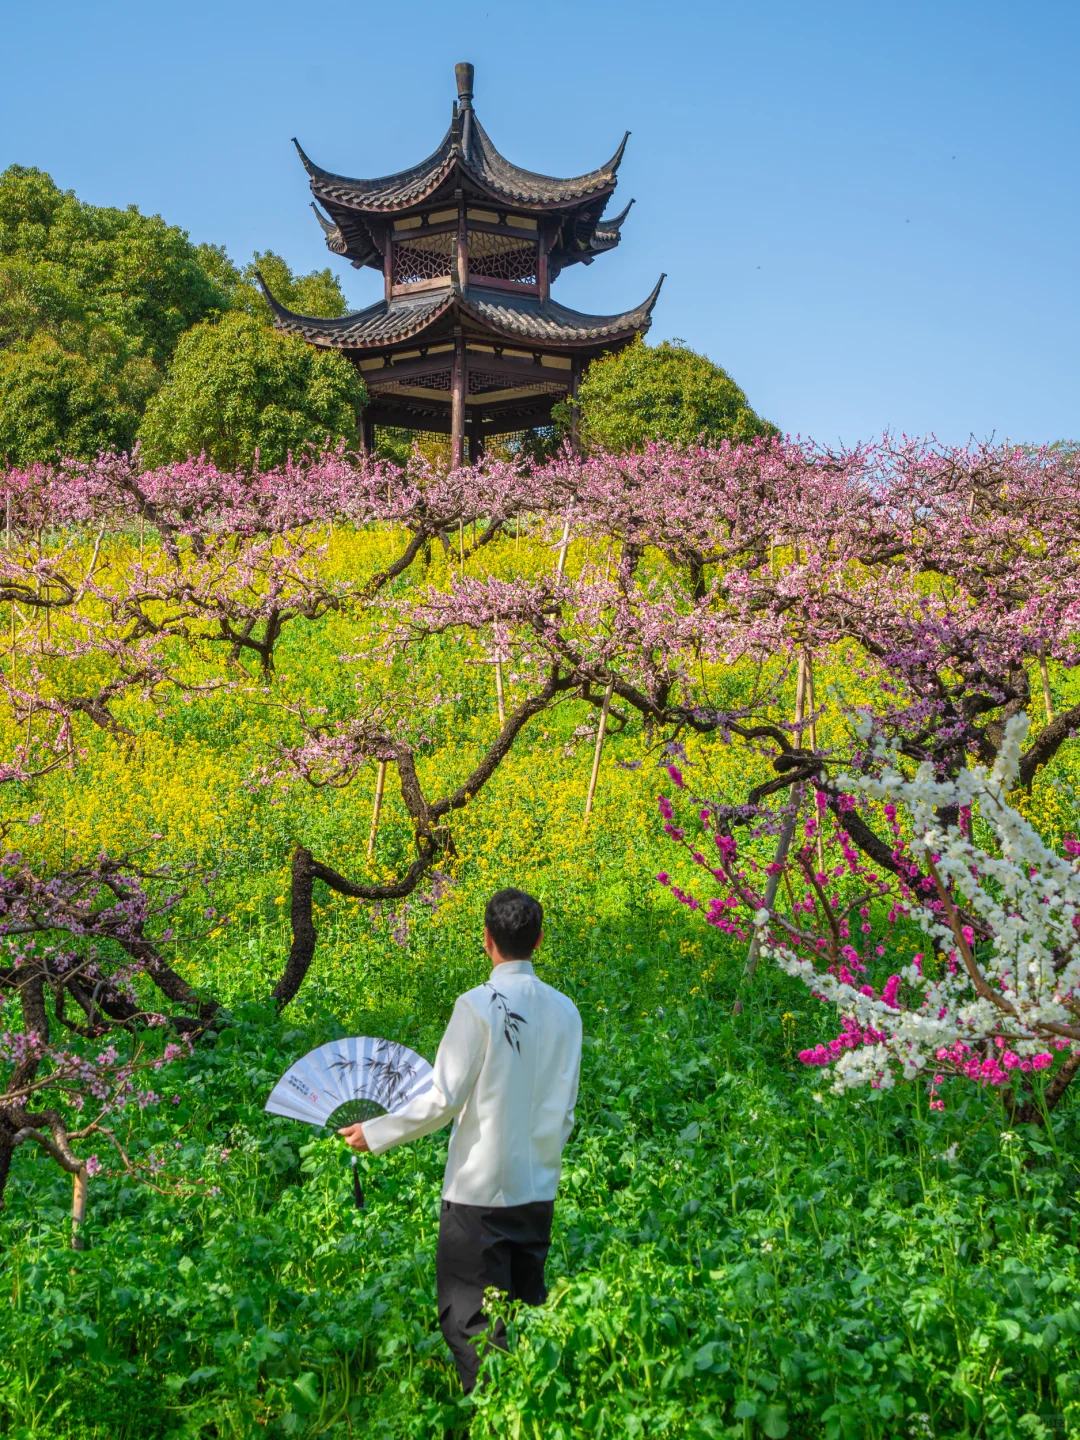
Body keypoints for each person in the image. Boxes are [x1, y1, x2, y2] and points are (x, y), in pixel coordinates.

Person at [339, 887, 582, 1393]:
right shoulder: (567, 1011)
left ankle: (497, 1417)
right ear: (539, 939)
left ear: (488, 941)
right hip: (539, 1186)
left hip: (479, 1192)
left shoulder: (476, 1006)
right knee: (521, 1312)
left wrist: (376, 1132)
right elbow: (567, 1104)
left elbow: (444, 1097)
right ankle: (528, 1411)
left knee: (469, 1322)